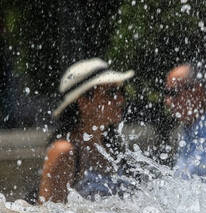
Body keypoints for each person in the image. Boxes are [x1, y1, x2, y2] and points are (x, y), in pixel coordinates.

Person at [38, 58, 134, 203]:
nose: (120, 99)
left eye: (121, 90)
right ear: (83, 102)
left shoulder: (112, 147)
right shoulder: (65, 152)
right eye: (111, 92)